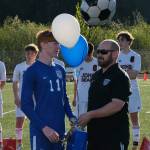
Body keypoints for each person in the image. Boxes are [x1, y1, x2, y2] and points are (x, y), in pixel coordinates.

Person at [21, 29, 75, 150]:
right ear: (43, 44)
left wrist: (72, 117)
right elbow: (25, 105)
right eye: (55, 43)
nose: (59, 46)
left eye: (59, 43)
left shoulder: (60, 69)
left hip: (59, 130)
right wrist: (44, 128)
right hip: (40, 131)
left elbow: (64, 98)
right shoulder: (31, 71)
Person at [78, 39, 131, 150]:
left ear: (115, 54)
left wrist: (90, 115)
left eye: (104, 52)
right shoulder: (96, 75)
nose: (99, 55)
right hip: (95, 137)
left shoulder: (120, 76)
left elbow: (116, 105)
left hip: (113, 138)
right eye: (98, 51)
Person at [117, 31, 142, 149]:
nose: (119, 42)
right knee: (120, 120)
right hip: (119, 92)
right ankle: (121, 144)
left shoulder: (136, 56)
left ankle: (135, 145)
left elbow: (134, 75)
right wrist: (127, 72)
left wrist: (121, 72)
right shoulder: (116, 56)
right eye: (119, 40)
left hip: (133, 92)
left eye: (122, 40)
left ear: (128, 41)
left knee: (134, 119)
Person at [12, 44, 39, 149]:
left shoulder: (39, 66)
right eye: (27, 53)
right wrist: (16, 97)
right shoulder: (19, 66)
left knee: (37, 121)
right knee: (19, 121)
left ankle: (38, 141)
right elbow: (15, 83)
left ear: (36, 54)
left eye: (32, 53)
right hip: (22, 99)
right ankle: (18, 144)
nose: (29, 55)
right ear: (25, 54)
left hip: (37, 98)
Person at [72, 42, 99, 118]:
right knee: (80, 119)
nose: (86, 56)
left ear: (92, 52)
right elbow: (76, 82)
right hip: (81, 97)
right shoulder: (78, 64)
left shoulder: (98, 63)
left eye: (88, 54)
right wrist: (74, 97)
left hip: (94, 97)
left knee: (93, 119)